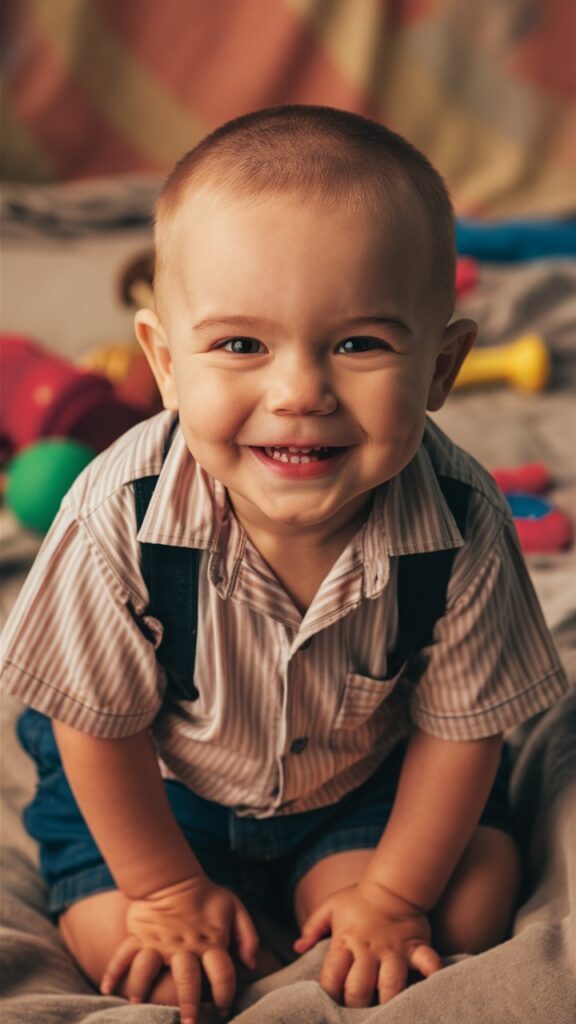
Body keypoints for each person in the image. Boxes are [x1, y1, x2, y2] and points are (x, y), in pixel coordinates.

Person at [2, 106, 568, 1024]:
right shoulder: (120, 514)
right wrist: (166, 893)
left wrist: (389, 895)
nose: (298, 390)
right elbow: (94, 732)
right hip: (155, 792)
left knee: (465, 902)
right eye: (239, 345)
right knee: (136, 955)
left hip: (360, 781)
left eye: (359, 344)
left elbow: (461, 731)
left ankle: (330, 898)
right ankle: (197, 903)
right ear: (165, 364)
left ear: (442, 367)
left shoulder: (462, 520)